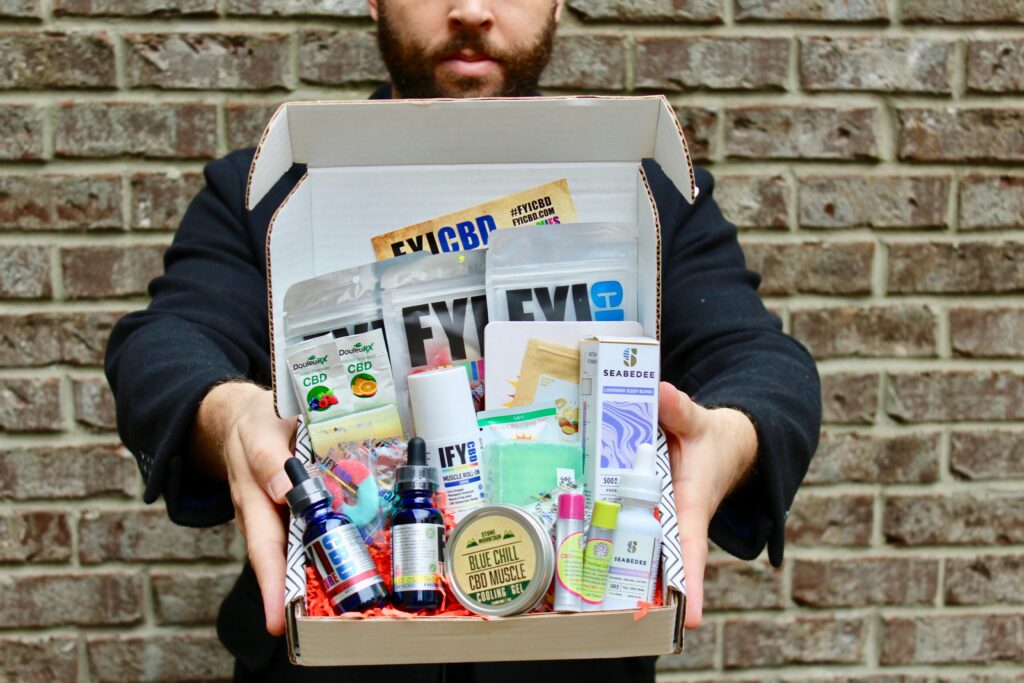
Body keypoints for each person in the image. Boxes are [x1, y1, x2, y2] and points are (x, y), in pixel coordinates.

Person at [104, 1, 821, 681]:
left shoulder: (651, 193)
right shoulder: (269, 190)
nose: (473, 9)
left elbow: (761, 362)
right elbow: (164, 343)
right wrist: (228, 413)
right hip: (322, 649)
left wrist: (731, 433)